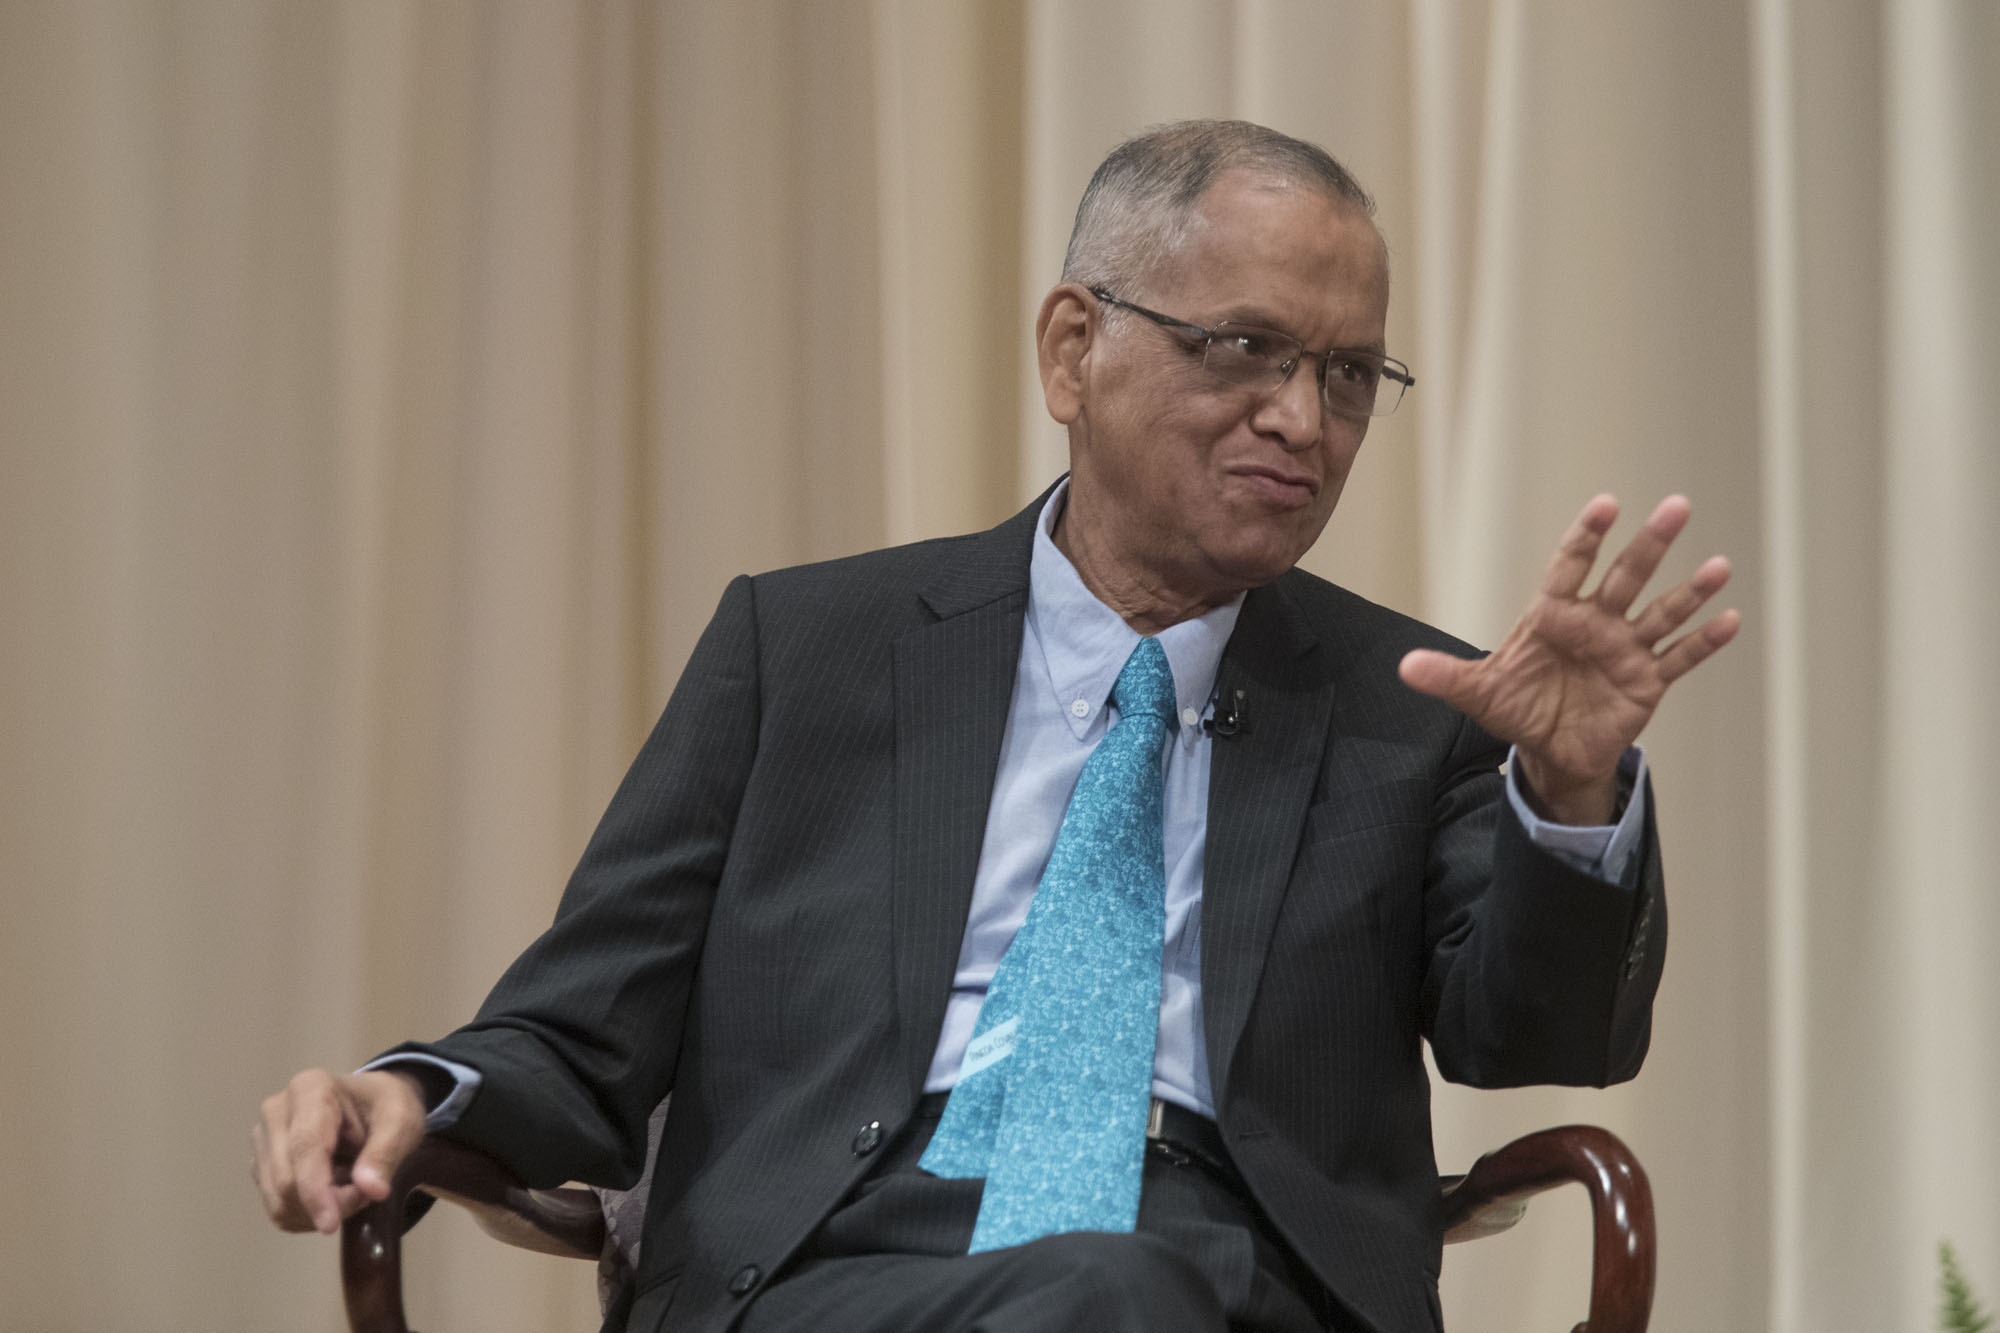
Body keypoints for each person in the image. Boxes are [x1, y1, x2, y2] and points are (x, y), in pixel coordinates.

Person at [254, 120, 1737, 1333]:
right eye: (1247, 348)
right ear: (1073, 349)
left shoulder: (1418, 707)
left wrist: (1570, 777)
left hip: (1239, 1281)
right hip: (827, 1271)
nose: (1304, 416)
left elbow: (1545, 1036)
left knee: (1112, 1284)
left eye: (1350, 374)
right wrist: (406, 1089)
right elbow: (584, 1025)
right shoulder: (806, 648)